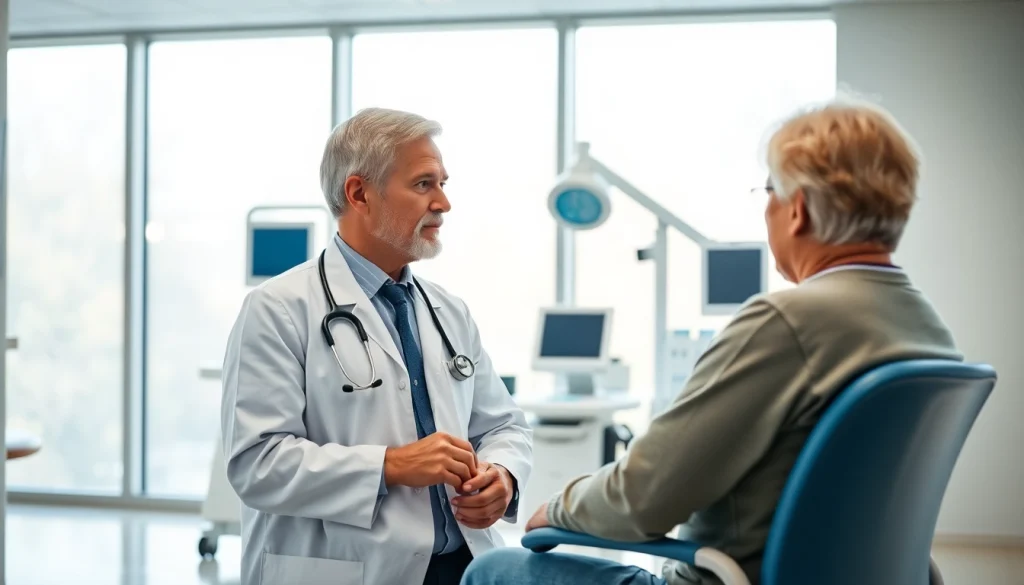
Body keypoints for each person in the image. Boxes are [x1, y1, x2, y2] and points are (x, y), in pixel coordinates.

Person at [461, 98, 963, 585]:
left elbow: (645, 497)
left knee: (493, 569)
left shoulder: (788, 321)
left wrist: (558, 507)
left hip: (732, 578)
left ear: (799, 210)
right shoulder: (928, 328)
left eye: (769, 191)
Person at [221, 107, 533, 585]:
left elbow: (503, 424)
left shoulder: (448, 310)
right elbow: (257, 465)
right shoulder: (278, 309)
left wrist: (503, 477)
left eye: (444, 183)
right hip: (349, 570)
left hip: (466, 567)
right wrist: (390, 466)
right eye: (424, 184)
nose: (444, 203)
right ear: (359, 192)